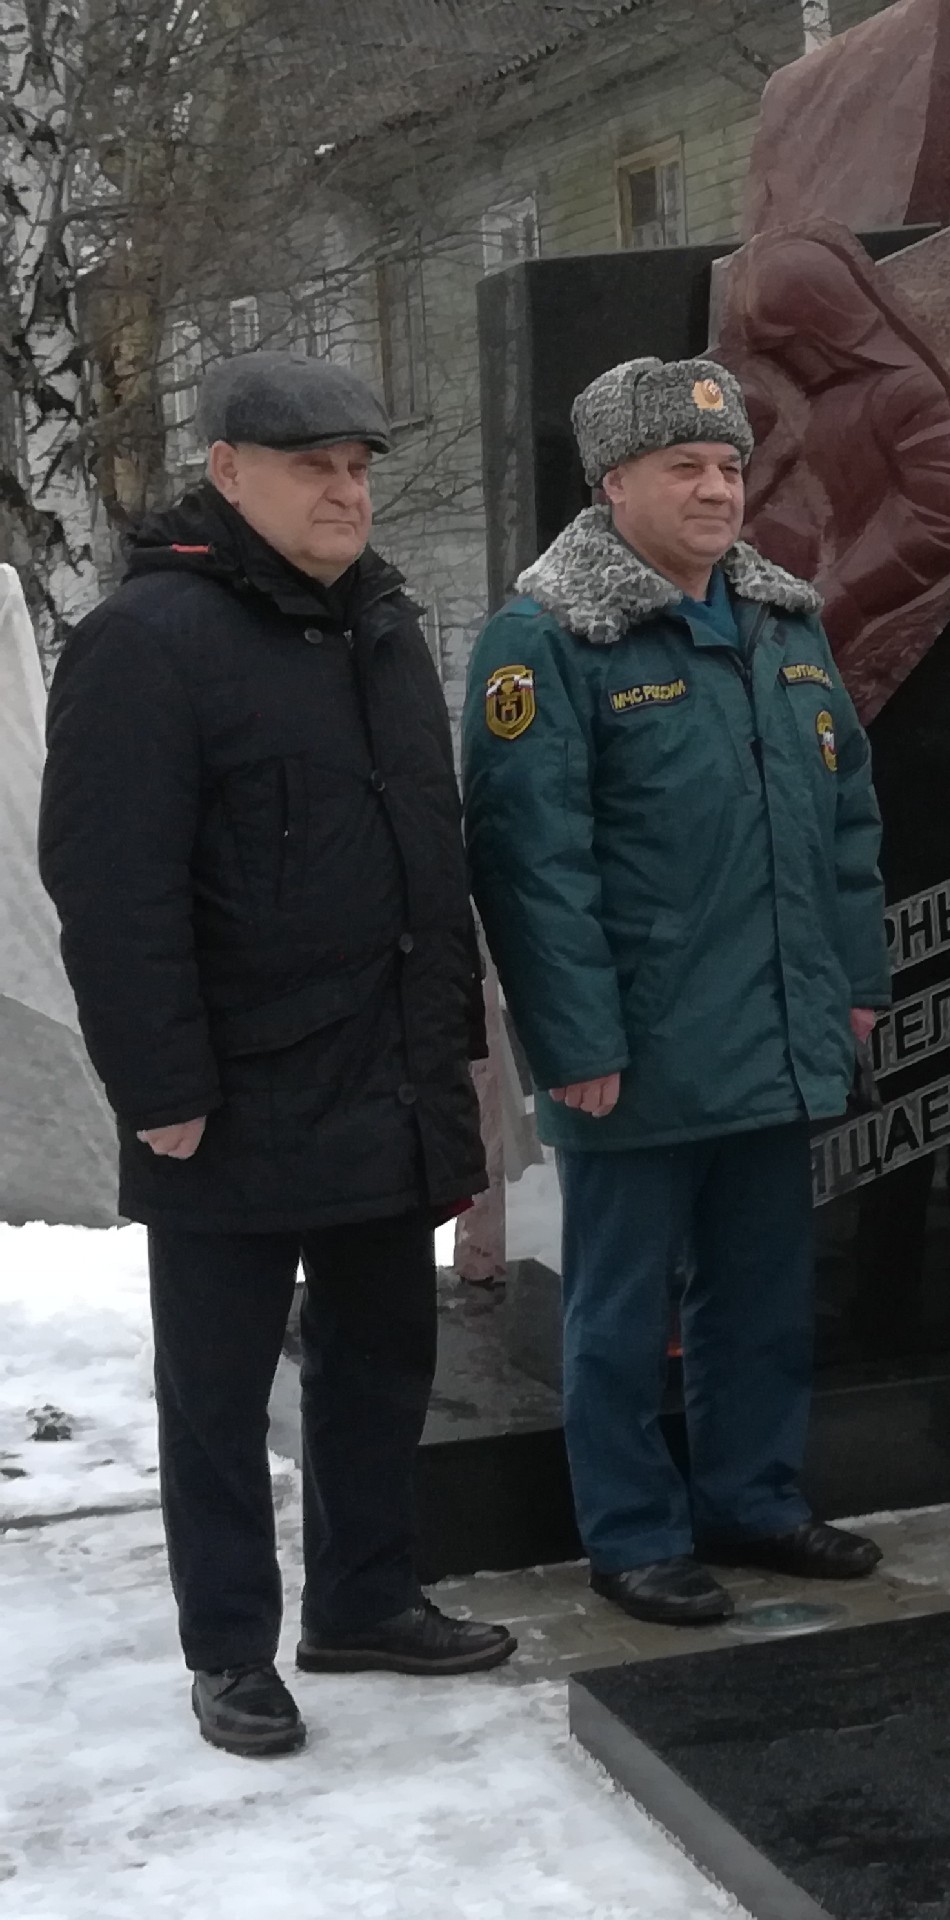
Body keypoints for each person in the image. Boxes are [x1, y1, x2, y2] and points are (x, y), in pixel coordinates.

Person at [38, 351, 515, 1759]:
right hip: (232, 1096)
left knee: (380, 1365)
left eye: (360, 466)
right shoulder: (146, 641)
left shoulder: (382, 626)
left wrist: (449, 1058)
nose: (346, 489)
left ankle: (365, 1598)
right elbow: (112, 888)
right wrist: (164, 1087)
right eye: (314, 465)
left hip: (381, 1080)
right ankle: (230, 1647)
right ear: (229, 474)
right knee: (219, 1393)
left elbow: (426, 858)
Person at [463, 356, 893, 1627]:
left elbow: (847, 828)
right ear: (612, 485)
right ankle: (635, 1532)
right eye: (682, 468)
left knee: (761, 1296)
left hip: (774, 1037)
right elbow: (529, 864)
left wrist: (856, 988)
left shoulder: (784, 625)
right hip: (637, 1054)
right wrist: (576, 1038)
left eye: (727, 467)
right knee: (617, 1311)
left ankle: (753, 1500)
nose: (715, 489)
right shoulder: (547, 640)